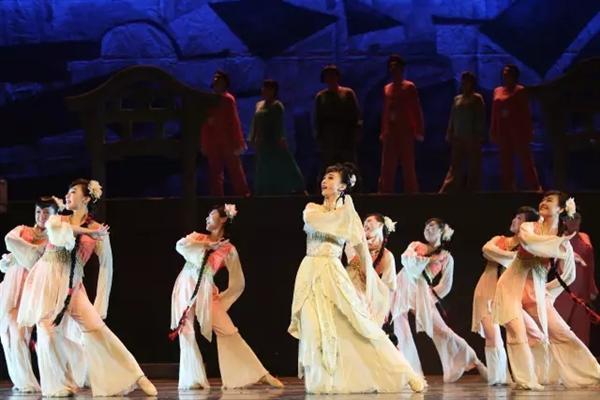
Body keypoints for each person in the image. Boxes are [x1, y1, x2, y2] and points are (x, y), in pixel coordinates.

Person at [288, 163, 425, 393]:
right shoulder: (312, 209)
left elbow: (361, 249)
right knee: (313, 327)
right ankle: (321, 382)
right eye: (324, 177)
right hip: (310, 271)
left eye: (331, 178)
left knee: (360, 325)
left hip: (332, 272)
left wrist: (373, 284)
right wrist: (346, 213)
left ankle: (405, 372)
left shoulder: (348, 215)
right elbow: (321, 223)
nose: (324, 181)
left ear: (342, 186)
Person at [17, 179, 157, 397]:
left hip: (73, 284)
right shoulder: (57, 219)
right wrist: (86, 231)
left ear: (86, 198)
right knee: (47, 333)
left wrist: (100, 303)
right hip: (48, 279)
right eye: (67, 191)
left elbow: (106, 266)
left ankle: (137, 376)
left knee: (98, 330)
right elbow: (58, 233)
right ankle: (59, 385)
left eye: (73, 191)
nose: (68, 195)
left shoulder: (98, 230)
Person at [170, 204, 283, 390]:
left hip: (206, 292)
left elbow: (238, 282)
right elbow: (179, 246)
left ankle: (259, 374)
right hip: (185, 287)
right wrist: (206, 245)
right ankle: (193, 380)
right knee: (187, 332)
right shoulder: (197, 238)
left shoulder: (228, 249)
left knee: (228, 330)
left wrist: (223, 299)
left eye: (211, 215)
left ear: (222, 219)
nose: (207, 218)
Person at [392, 219, 487, 382]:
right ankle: (408, 373)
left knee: (442, 331)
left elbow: (446, 285)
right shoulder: (415, 245)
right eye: (426, 226)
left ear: (442, 231)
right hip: (401, 287)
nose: (427, 228)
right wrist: (427, 260)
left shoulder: (446, 258)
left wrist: (431, 295)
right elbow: (407, 261)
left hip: (421, 292)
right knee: (401, 329)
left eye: (432, 226)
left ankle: (473, 360)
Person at [471, 206, 539, 385]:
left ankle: (533, 373)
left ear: (528, 225)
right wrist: (512, 256)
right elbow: (487, 249)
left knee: (534, 334)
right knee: (492, 336)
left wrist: (504, 256)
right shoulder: (500, 239)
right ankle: (498, 379)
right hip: (486, 291)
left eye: (520, 218)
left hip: (508, 296)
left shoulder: (529, 247)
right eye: (515, 216)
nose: (514, 220)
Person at [0, 197, 59, 393]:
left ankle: (38, 381)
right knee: (11, 334)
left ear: (54, 215)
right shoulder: (21, 230)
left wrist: (21, 255)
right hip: (14, 286)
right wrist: (31, 252)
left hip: (35, 289)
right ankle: (23, 381)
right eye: (38, 212)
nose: (41, 216)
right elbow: (9, 240)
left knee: (27, 336)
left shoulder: (54, 238)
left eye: (46, 213)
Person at [249, 79, 305, 195]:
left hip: (273, 139)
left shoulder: (277, 105)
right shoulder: (259, 105)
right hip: (262, 139)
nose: (265, 91)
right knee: (263, 165)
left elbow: (279, 123)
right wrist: (252, 137)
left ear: (274, 91)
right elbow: (255, 122)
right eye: (264, 88)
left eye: (268, 89)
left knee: (284, 162)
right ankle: (262, 190)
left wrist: (280, 137)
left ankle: (297, 187)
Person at [490, 64, 541, 191]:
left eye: (508, 73)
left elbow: (525, 113)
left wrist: (529, 131)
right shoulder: (497, 91)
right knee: (505, 161)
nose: (505, 75)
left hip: (517, 130)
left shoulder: (519, 90)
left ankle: (535, 188)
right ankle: (509, 189)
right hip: (503, 130)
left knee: (525, 159)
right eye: (504, 73)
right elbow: (494, 112)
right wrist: (493, 129)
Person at [379, 55, 424, 194]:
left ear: (401, 69)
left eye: (396, 67)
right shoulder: (387, 88)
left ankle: (412, 193)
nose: (394, 70)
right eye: (391, 67)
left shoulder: (409, 87)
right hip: (391, 131)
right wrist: (383, 130)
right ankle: (384, 194)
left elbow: (415, 109)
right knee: (387, 165)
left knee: (408, 164)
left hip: (405, 130)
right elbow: (386, 111)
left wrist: (418, 129)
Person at [201, 70, 250, 196]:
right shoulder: (209, 100)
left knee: (235, 169)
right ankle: (217, 199)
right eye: (215, 80)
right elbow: (205, 124)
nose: (216, 82)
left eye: (219, 80)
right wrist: (205, 143)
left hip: (228, 141)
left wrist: (238, 143)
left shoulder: (228, 100)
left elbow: (234, 122)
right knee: (215, 172)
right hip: (214, 141)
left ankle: (243, 195)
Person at [554, 213, 598, 346]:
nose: (574, 221)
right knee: (560, 329)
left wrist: (592, 287)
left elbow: (590, 265)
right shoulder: (559, 239)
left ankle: (581, 358)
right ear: (564, 221)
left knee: (581, 330)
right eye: (570, 218)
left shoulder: (585, 237)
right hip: (565, 288)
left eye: (577, 218)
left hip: (582, 289)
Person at [439, 71, 486, 193]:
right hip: (458, 137)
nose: (464, 84)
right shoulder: (457, 99)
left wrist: (478, 135)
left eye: (467, 81)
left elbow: (480, 117)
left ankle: (473, 190)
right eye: (463, 81)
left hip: (471, 137)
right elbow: (453, 116)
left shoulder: (477, 98)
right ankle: (449, 189)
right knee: (455, 165)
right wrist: (450, 132)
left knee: (473, 165)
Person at [314, 65, 361, 169]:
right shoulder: (321, 97)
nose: (330, 78)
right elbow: (318, 119)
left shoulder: (347, 93)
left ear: (337, 77)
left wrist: (356, 132)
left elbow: (356, 114)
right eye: (327, 76)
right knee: (330, 168)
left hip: (346, 138)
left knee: (349, 168)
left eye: (332, 75)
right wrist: (319, 139)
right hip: (329, 140)